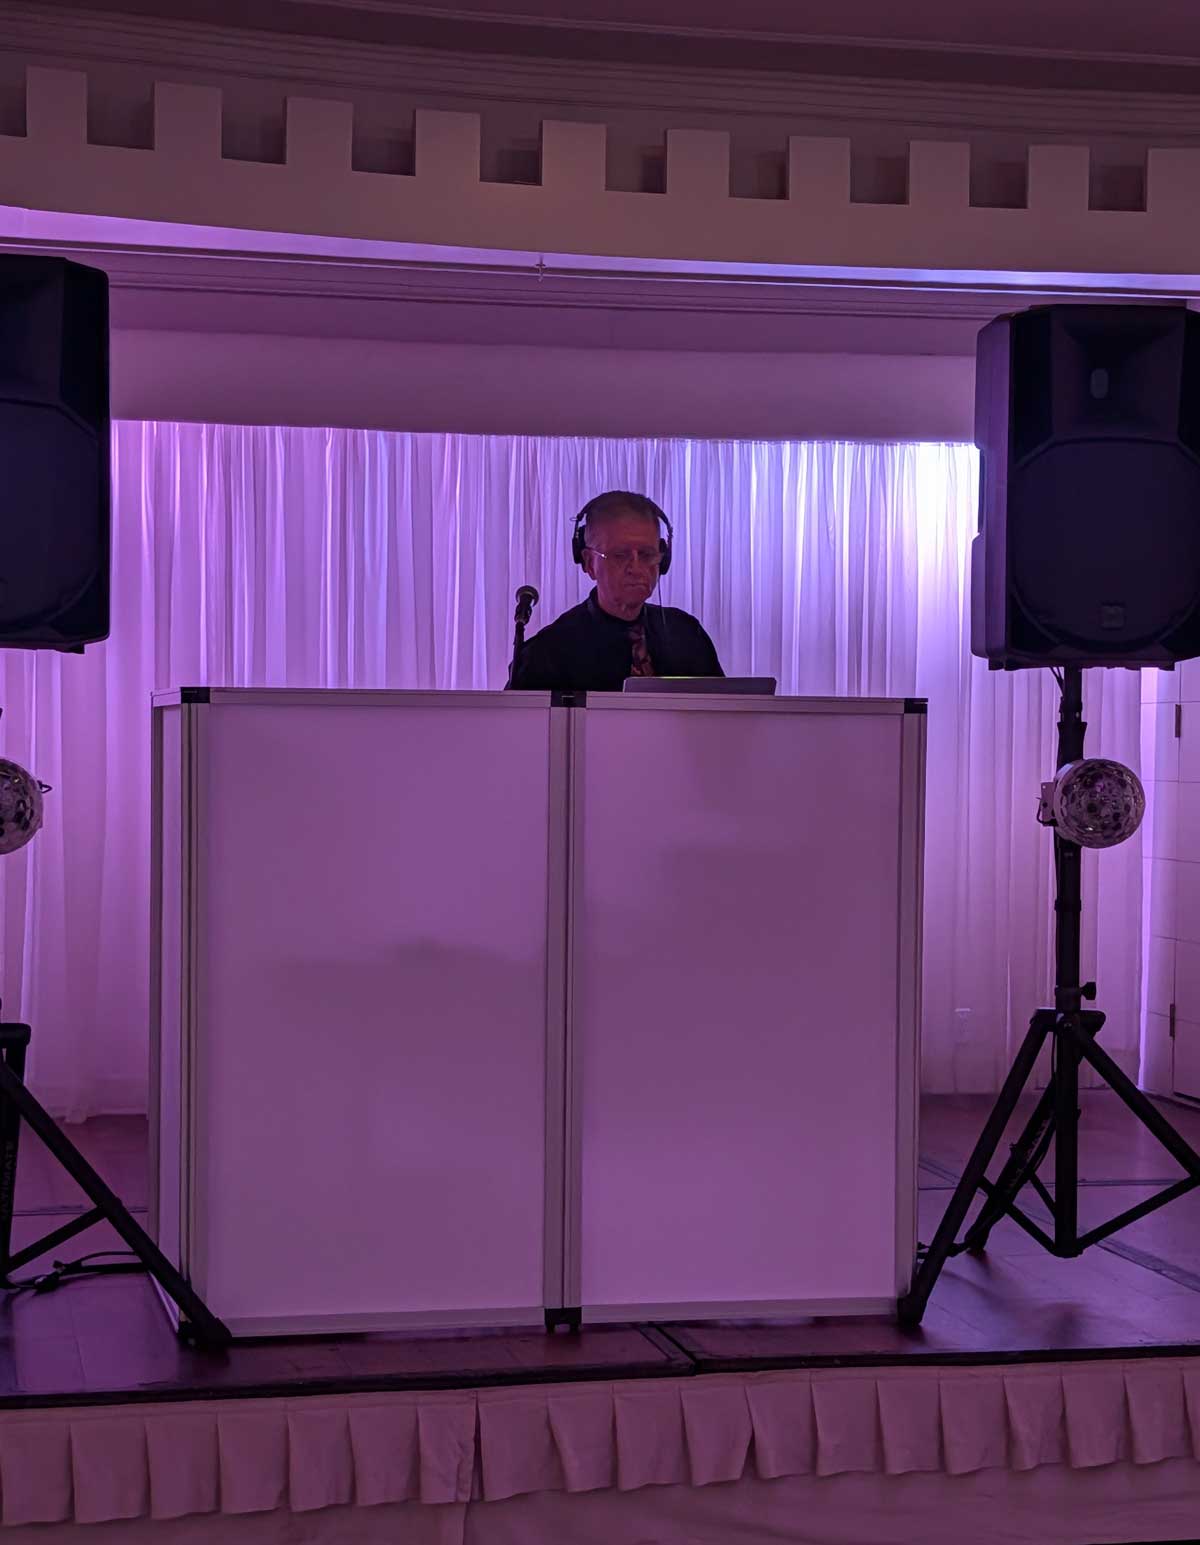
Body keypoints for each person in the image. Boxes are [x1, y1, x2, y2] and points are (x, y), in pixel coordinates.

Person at [507, 491, 723, 691]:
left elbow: (725, 719)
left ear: (663, 559)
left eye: (647, 554)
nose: (636, 568)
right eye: (620, 555)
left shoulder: (687, 634)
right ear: (589, 563)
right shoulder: (547, 653)